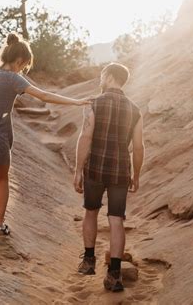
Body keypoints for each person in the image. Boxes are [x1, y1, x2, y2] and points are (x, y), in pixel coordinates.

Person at [0, 33, 90, 253]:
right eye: (24, 66)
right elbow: (44, 96)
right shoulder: (14, 78)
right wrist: (77, 101)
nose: (23, 70)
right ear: (20, 61)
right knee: (2, 180)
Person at [73, 63, 144, 292]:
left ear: (110, 77)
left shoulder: (94, 103)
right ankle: (114, 274)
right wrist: (137, 174)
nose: (100, 79)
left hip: (95, 168)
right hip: (120, 171)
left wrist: (77, 169)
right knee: (116, 219)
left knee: (90, 212)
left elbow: (85, 137)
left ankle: (88, 261)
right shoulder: (135, 110)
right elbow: (139, 146)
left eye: (103, 75)